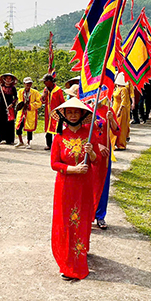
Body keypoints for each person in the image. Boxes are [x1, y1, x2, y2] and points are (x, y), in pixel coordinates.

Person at [50, 98, 100, 280]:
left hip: (85, 185)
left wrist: (92, 152)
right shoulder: (59, 137)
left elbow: (97, 161)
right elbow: (54, 164)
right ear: (64, 115)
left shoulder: (90, 135)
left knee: (83, 218)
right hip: (66, 186)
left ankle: (81, 249)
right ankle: (67, 258)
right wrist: (73, 169)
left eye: (76, 112)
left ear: (82, 114)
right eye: (69, 112)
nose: (72, 115)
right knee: (67, 221)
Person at [93, 97, 119, 230]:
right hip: (90, 152)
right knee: (88, 184)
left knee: (103, 183)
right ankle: (87, 215)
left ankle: (100, 215)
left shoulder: (107, 110)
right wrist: (97, 145)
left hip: (104, 155)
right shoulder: (85, 109)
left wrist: (112, 120)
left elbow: (116, 130)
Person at [15, 77, 42, 148]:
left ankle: (28, 142)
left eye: (30, 83)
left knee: (29, 127)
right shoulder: (20, 91)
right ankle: (20, 141)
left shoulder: (35, 92)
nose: (28, 85)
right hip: (22, 112)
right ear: (24, 84)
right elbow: (19, 100)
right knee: (18, 126)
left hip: (30, 112)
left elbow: (39, 103)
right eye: (27, 83)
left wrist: (30, 106)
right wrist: (20, 105)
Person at [41, 73, 65, 150]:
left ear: (50, 81)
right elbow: (43, 101)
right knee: (48, 129)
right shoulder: (46, 90)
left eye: (45, 81)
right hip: (48, 113)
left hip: (57, 113)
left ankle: (57, 145)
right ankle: (49, 144)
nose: (44, 83)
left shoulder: (58, 90)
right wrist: (43, 96)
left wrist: (62, 112)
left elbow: (62, 101)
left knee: (57, 130)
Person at [0, 73, 18, 144]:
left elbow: (16, 97)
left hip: (10, 106)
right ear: (4, 79)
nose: (8, 80)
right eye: (7, 78)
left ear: (12, 80)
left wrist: (12, 104)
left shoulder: (13, 88)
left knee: (10, 122)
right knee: (1, 121)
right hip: (2, 106)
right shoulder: (1, 87)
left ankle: (10, 139)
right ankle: (1, 138)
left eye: (10, 78)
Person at [112, 73, 131, 150]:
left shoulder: (124, 89)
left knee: (121, 126)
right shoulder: (117, 88)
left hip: (121, 109)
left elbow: (124, 101)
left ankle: (121, 144)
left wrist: (120, 110)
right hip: (114, 107)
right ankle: (114, 142)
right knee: (114, 125)